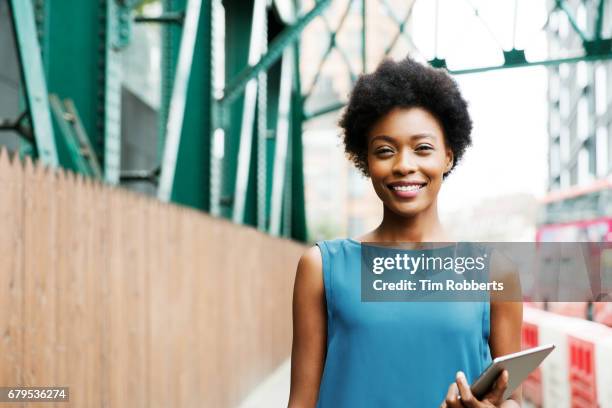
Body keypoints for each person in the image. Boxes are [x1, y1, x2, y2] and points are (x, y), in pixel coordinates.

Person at [288, 56, 522, 407]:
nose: (404, 165)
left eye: (422, 148)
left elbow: (510, 399)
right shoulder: (321, 268)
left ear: (448, 156)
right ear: (366, 161)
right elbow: (301, 402)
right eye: (385, 151)